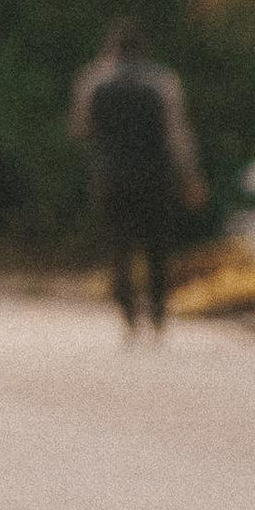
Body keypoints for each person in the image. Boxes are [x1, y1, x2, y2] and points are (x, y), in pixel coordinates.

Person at [71, 19, 206, 335]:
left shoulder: (92, 81)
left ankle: (128, 311)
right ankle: (158, 311)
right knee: (157, 246)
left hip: (112, 175)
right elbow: (177, 135)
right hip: (154, 176)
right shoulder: (163, 82)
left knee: (119, 246)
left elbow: (80, 128)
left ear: (111, 49)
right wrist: (191, 176)